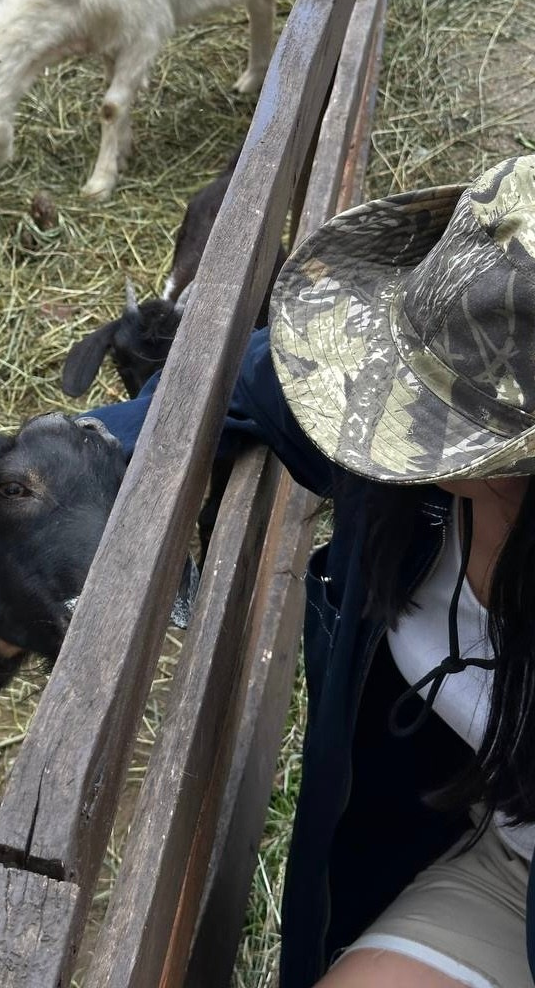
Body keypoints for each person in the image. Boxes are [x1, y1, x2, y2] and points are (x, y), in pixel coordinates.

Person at [87, 153, 535, 988]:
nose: (390, 402)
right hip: (493, 859)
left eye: (435, 409)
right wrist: (59, 465)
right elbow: (243, 382)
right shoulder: (408, 461)